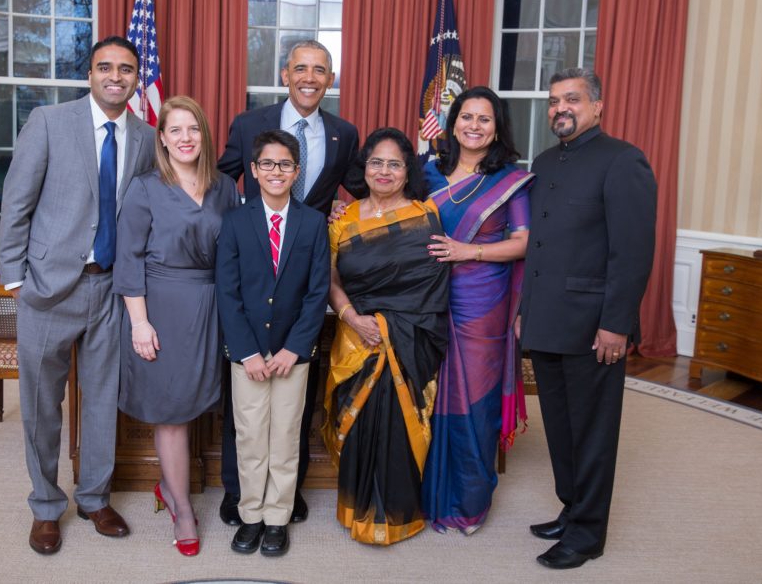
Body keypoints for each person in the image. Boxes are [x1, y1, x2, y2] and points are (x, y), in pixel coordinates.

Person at [0, 35, 156, 555]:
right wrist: (15, 280)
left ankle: (94, 497)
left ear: (137, 77)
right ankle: (46, 505)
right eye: (105, 67)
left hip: (112, 287)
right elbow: (17, 202)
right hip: (48, 287)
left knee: (103, 399)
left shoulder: (146, 136)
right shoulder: (49, 121)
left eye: (126, 69)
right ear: (89, 74)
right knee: (42, 404)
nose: (116, 76)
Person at [216, 39, 364, 526]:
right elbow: (220, 183)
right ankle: (240, 492)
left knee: (292, 401)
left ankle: (286, 492)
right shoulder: (249, 124)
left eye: (320, 70)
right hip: (254, 261)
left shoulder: (344, 133)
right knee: (246, 407)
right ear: (284, 74)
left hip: (305, 267)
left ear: (330, 79)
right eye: (300, 68)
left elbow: (366, 187)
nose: (309, 77)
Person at [516, 68, 656, 569]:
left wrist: (617, 323)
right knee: (560, 425)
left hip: (594, 324)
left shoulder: (623, 161)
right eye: (554, 101)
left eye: (571, 99)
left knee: (593, 431)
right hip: (547, 319)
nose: (560, 109)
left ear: (597, 106)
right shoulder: (546, 160)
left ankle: (588, 532)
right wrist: (525, 309)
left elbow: (632, 253)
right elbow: (540, 247)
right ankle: (571, 508)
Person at [113, 96, 240, 557]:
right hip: (160, 308)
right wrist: (139, 323)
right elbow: (127, 261)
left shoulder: (226, 187)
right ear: (161, 138)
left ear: (203, 136)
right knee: (171, 414)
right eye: (175, 130)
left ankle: (172, 489)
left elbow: (235, 252)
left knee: (197, 406)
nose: (185, 138)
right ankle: (181, 506)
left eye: (193, 129)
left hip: (211, 308)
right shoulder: (145, 188)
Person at [322, 127, 450, 546]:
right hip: (357, 338)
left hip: (407, 341)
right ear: (365, 166)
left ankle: (398, 517)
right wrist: (353, 317)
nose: (384, 171)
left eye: (395, 163)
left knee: (400, 426)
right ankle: (355, 511)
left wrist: (390, 325)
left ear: (407, 170)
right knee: (357, 425)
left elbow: (431, 286)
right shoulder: (344, 219)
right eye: (376, 161)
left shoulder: (425, 214)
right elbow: (331, 278)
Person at [420, 86, 534, 535]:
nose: (473, 126)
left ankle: (468, 503)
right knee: (428, 395)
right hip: (427, 299)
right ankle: (428, 497)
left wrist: (470, 252)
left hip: (482, 302)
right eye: (466, 116)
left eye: (484, 119)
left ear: (497, 127)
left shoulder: (511, 181)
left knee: (472, 399)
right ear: (453, 123)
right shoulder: (428, 173)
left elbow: (524, 242)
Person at [215, 130, 330, 558]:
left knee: (284, 436)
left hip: (291, 355)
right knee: (249, 437)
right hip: (247, 354)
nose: (276, 171)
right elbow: (227, 292)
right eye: (268, 164)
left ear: (296, 171)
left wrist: (293, 348)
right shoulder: (235, 221)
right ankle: (251, 516)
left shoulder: (313, 223)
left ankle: (278, 518)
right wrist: (246, 351)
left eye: (285, 164)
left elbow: (317, 293)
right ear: (254, 171)